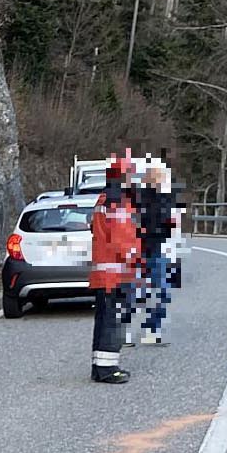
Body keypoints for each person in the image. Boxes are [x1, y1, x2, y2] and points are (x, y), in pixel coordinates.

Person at [90, 152, 141, 383]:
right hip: (116, 274)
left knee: (103, 320)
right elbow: (123, 239)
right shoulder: (118, 202)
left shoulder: (102, 200)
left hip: (103, 273)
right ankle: (108, 370)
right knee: (113, 321)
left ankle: (99, 367)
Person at [135, 158, 178, 344]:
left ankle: (152, 330)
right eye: (160, 175)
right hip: (139, 250)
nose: (162, 179)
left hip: (156, 249)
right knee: (135, 293)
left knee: (161, 292)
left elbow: (170, 222)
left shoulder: (164, 198)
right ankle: (127, 332)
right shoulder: (138, 198)